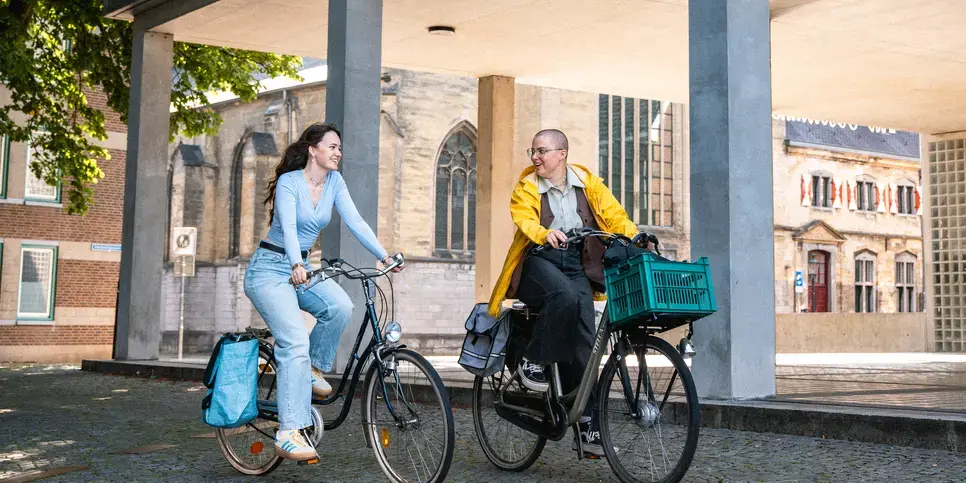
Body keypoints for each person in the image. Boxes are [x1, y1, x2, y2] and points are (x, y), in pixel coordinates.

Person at [244, 122, 402, 462]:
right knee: (294, 341)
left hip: (301, 266)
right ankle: (288, 431)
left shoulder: (334, 182)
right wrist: (294, 263)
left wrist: (385, 256)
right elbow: (288, 226)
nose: (338, 152)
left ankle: (313, 368)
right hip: (270, 269)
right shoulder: (290, 182)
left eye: (339, 147)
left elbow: (356, 221)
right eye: (331, 146)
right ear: (312, 150)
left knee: (340, 306)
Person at [487, 129, 640, 457]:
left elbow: (614, 216)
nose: (535, 157)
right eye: (533, 151)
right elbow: (523, 218)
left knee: (586, 344)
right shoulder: (527, 186)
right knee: (564, 298)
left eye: (542, 151)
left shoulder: (588, 184)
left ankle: (586, 426)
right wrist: (544, 233)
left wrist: (635, 237)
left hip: (576, 263)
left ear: (562, 154)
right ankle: (531, 361)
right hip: (538, 260)